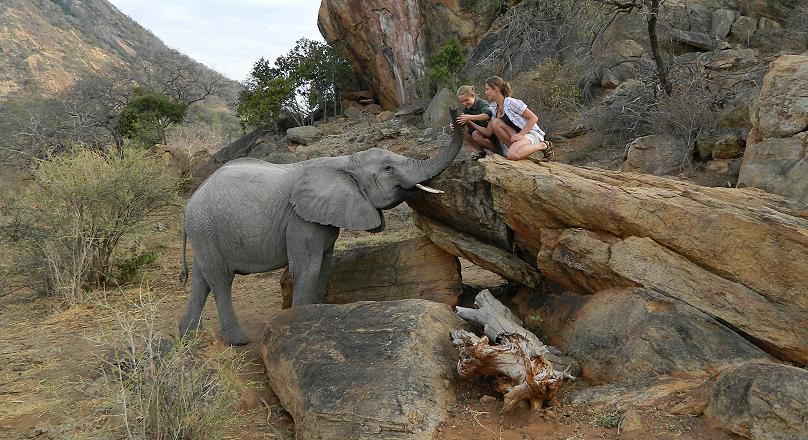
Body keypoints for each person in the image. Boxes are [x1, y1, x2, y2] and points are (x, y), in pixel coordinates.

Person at [481, 76, 553, 161]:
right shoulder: (493, 107)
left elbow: (533, 118)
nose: (485, 92)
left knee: (512, 155)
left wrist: (521, 134)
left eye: (487, 89)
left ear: (496, 89)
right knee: (495, 122)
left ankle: (543, 145)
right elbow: (489, 131)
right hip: (516, 138)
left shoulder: (511, 102)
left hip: (530, 133)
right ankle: (516, 150)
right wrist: (470, 121)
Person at [453, 85, 506, 160]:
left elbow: (487, 115)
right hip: (482, 133)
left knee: (476, 134)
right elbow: (467, 123)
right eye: (462, 101)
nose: (464, 103)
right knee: (461, 130)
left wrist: (470, 118)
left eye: (466, 100)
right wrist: (456, 124)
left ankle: (499, 152)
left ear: (473, 96)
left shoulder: (482, 103)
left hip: (494, 134)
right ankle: (481, 152)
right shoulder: (466, 110)